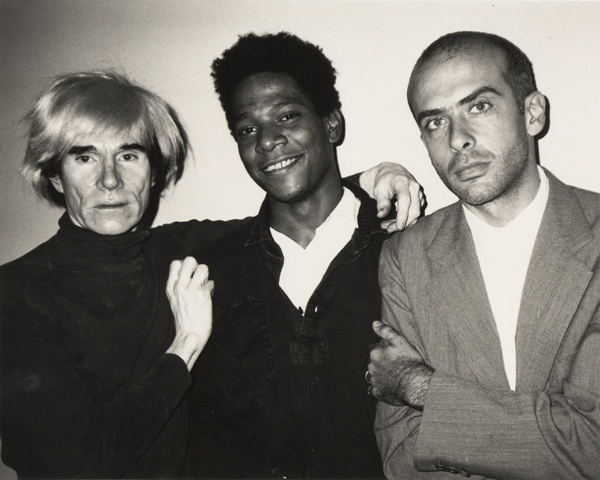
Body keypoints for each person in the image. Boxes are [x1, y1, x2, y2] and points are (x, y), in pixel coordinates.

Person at [0, 70, 421, 479]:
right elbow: (83, 461)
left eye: (128, 155)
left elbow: (293, 209)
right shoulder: (16, 293)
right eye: (84, 157)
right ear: (53, 173)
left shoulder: (177, 249)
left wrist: (372, 179)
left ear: (153, 170)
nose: (110, 180)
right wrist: (185, 345)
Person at [184, 32, 423, 479]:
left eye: (287, 116)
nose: (267, 140)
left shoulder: (407, 245)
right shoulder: (215, 272)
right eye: (247, 129)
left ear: (331, 124)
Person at [368, 31, 600, 479]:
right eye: (435, 122)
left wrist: (422, 387)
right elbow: (401, 453)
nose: (457, 139)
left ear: (532, 113)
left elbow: (593, 442)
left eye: (478, 106)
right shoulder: (406, 257)